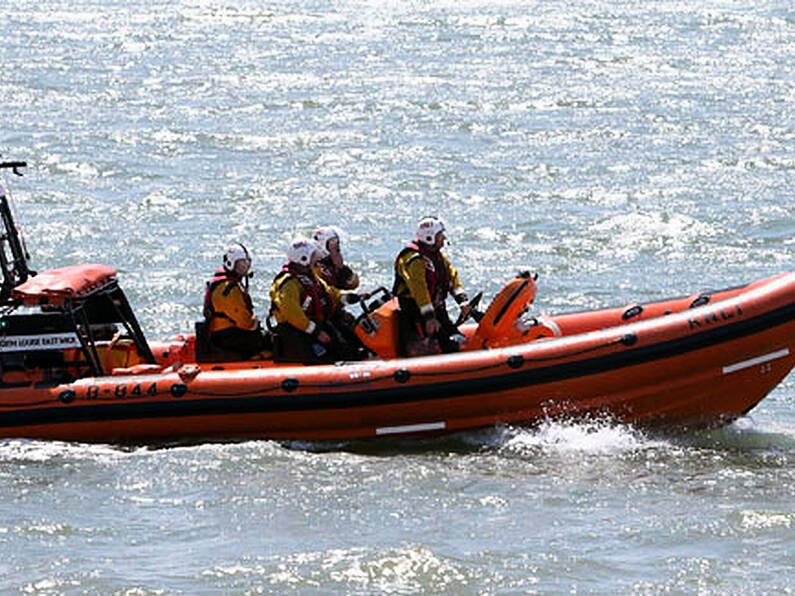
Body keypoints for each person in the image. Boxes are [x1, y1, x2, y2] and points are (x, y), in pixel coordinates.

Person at [269, 237, 365, 363]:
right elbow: (292, 313)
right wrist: (315, 331)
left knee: (345, 346)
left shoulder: (311, 276)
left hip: (313, 325)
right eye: (313, 255)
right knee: (324, 355)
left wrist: (350, 297)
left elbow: (329, 293)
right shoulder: (288, 283)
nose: (317, 258)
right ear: (303, 258)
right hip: (297, 331)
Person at [393, 216, 471, 356]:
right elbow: (419, 289)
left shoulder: (437, 257)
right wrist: (429, 317)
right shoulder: (414, 260)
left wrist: (462, 301)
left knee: (457, 339)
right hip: (416, 314)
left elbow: (451, 277)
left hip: (437, 310)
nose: (443, 238)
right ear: (430, 237)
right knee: (445, 345)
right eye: (440, 235)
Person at [203, 243, 270, 360]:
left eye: (247, 261)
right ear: (231, 264)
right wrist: (257, 322)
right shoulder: (228, 288)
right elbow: (245, 322)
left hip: (228, 334)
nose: (247, 265)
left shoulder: (231, 284)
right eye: (242, 262)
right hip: (226, 336)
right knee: (270, 340)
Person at [312, 226, 360, 290]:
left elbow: (353, 284)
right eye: (335, 248)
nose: (338, 251)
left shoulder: (331, 266)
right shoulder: (314, 268)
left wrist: (344, 271)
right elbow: (325, 291)